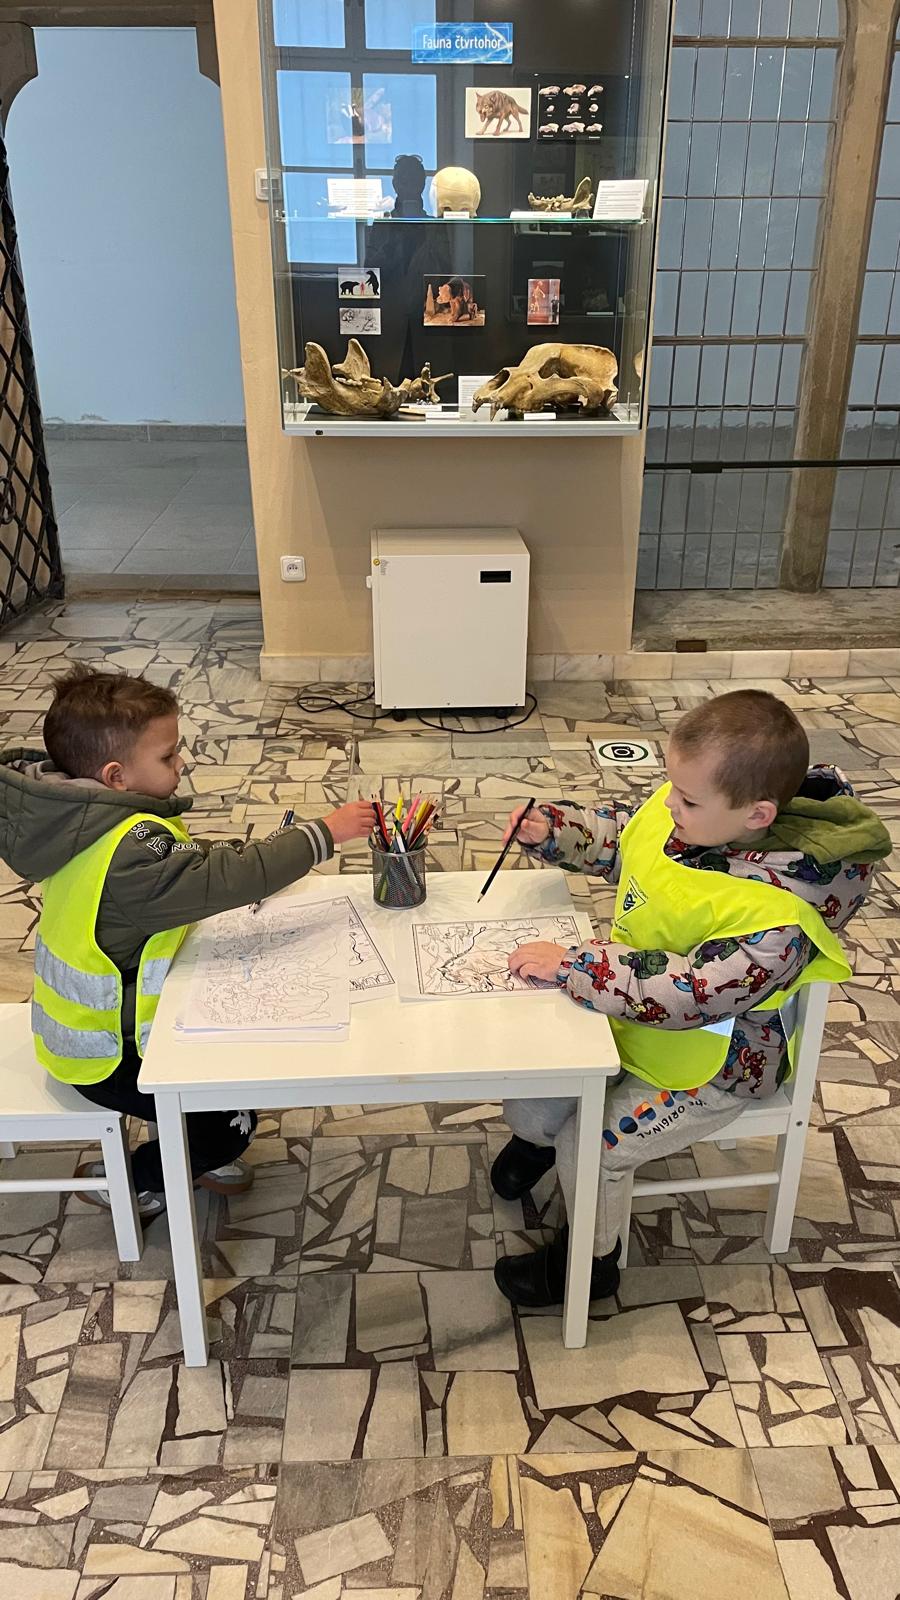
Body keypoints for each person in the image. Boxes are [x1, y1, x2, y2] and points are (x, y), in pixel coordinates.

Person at [491, 689, 890, 1308]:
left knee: (589, 1144)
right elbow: (630, 838)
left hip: (716, 1065)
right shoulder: (699, 808)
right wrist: (558, 830)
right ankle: (537, 1141)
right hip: (628, 1014)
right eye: (672, 788)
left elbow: (692, 995)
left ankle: (590, 1266)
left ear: (757, 815)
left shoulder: (779, 916)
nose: (670, 804)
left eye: (687, 800)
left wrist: (574, 965)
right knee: (534, 1096)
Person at [0, 668, 375, 1221]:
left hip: (99, 1027)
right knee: (233, 1121)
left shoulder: (82, 817)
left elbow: (188, 865)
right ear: (115, 776)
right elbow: (222, 879)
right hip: (106, 1054)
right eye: (168, 756)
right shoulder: (129, 851)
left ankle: (188, 1151)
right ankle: (136, 1178)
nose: (182, 764)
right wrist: (322, 834)